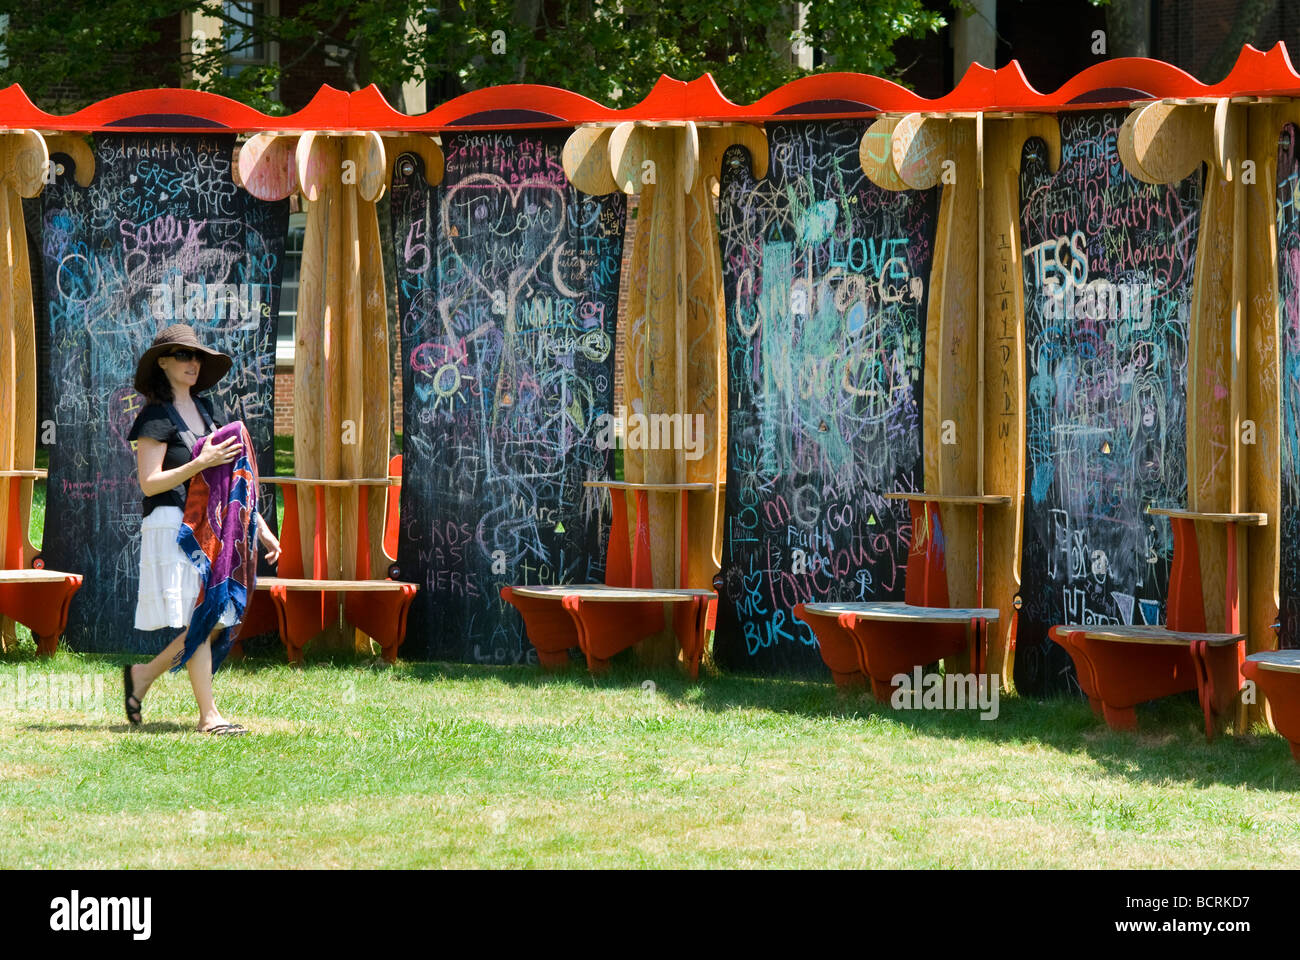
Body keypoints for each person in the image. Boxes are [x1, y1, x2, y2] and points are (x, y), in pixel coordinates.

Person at [121, 324, 281, 734]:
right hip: (173, 526)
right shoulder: (155, 417)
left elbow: (228, 482)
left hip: (207, 526)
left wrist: (258, 526)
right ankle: (209, 717)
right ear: (162, 363)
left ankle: (142, 676)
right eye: (182, 356)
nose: (192, 363)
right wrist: (198, 464)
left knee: (209, 619)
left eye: (196, 357)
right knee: (204, 616)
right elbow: (149, 482)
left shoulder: (208, 411)